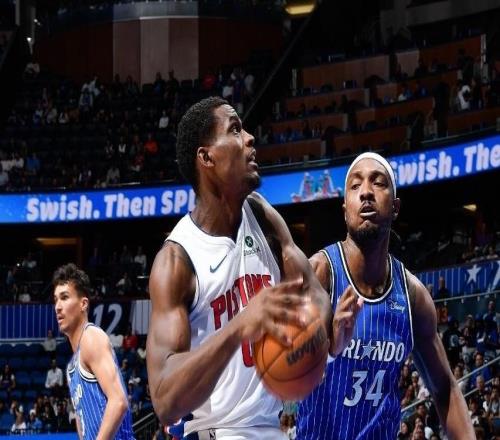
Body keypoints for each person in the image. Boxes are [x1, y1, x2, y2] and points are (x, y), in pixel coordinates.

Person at [146, 97, 354, 439]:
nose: (249, 138)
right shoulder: (176, 261)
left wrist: (327, 340)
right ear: (206, 157)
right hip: (216, 431)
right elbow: (165, 401)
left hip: (272, 428)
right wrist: (240, 327)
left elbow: (312, 293)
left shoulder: (262, 216)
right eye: (235, 130)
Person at [297, 152, 474, 439]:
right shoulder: (319, 274)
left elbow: (445, 389)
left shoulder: (413, 296)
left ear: (395, 207)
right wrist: (327, 348)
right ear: (345, 210)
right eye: (355, 186)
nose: (366, 192)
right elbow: (280, 369)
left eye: (378, 183)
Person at [52, 263, 134, 439]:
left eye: (64, 297)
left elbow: (118, 401)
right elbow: (83, 423)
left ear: (83, 304)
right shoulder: (71, 367)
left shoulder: (91, 337)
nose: (57, 306)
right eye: (56, 299)